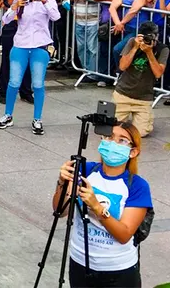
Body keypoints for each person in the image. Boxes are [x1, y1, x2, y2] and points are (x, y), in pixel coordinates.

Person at [54, 122, 151, 288]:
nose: (113, 143)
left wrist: (97, 207)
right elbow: (59, 210)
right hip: (80, 261)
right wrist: (62, 183)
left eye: (122, 140)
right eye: (109, 137)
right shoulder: (86, 170)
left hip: (117, 271)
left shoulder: (137, 186)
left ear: (133, 152)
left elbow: (124, 235)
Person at [0, 0, 61, 135]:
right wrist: (14, 7)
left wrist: (44, 1)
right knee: (14, 82)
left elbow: (56, 16)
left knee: (38, 84)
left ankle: (37, 119)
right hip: (21, 45)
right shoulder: (20, 0)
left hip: (40, 46)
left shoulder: (49, 1)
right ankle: (8, 115)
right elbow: (5, 20)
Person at [113, 21, 166, 137]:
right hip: (123, 94)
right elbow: (122, 66)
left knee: (141, 132)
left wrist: (149, 52)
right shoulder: (132, 42)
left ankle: (134, 121)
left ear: (157, 36)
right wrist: (135, 48)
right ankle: (123, 121)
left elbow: (158, 73)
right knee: (113, 129)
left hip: (143, 98)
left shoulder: (162, 49)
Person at [61, 0, 108, 82]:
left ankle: (93, 73)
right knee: (81, 47)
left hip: (92, 19)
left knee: (92, 47)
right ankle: (85, 70)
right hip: (78, 18)